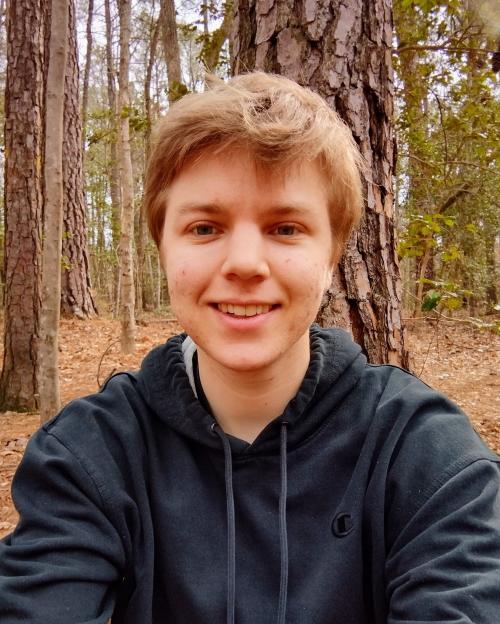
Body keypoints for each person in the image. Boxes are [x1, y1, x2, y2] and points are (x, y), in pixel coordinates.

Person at [1, 72, 499, 624]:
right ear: (162, 247)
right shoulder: (89, 457)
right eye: (205, 227)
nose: (243, 263)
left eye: (285, 228)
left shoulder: (423, 452)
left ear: (332, 256)